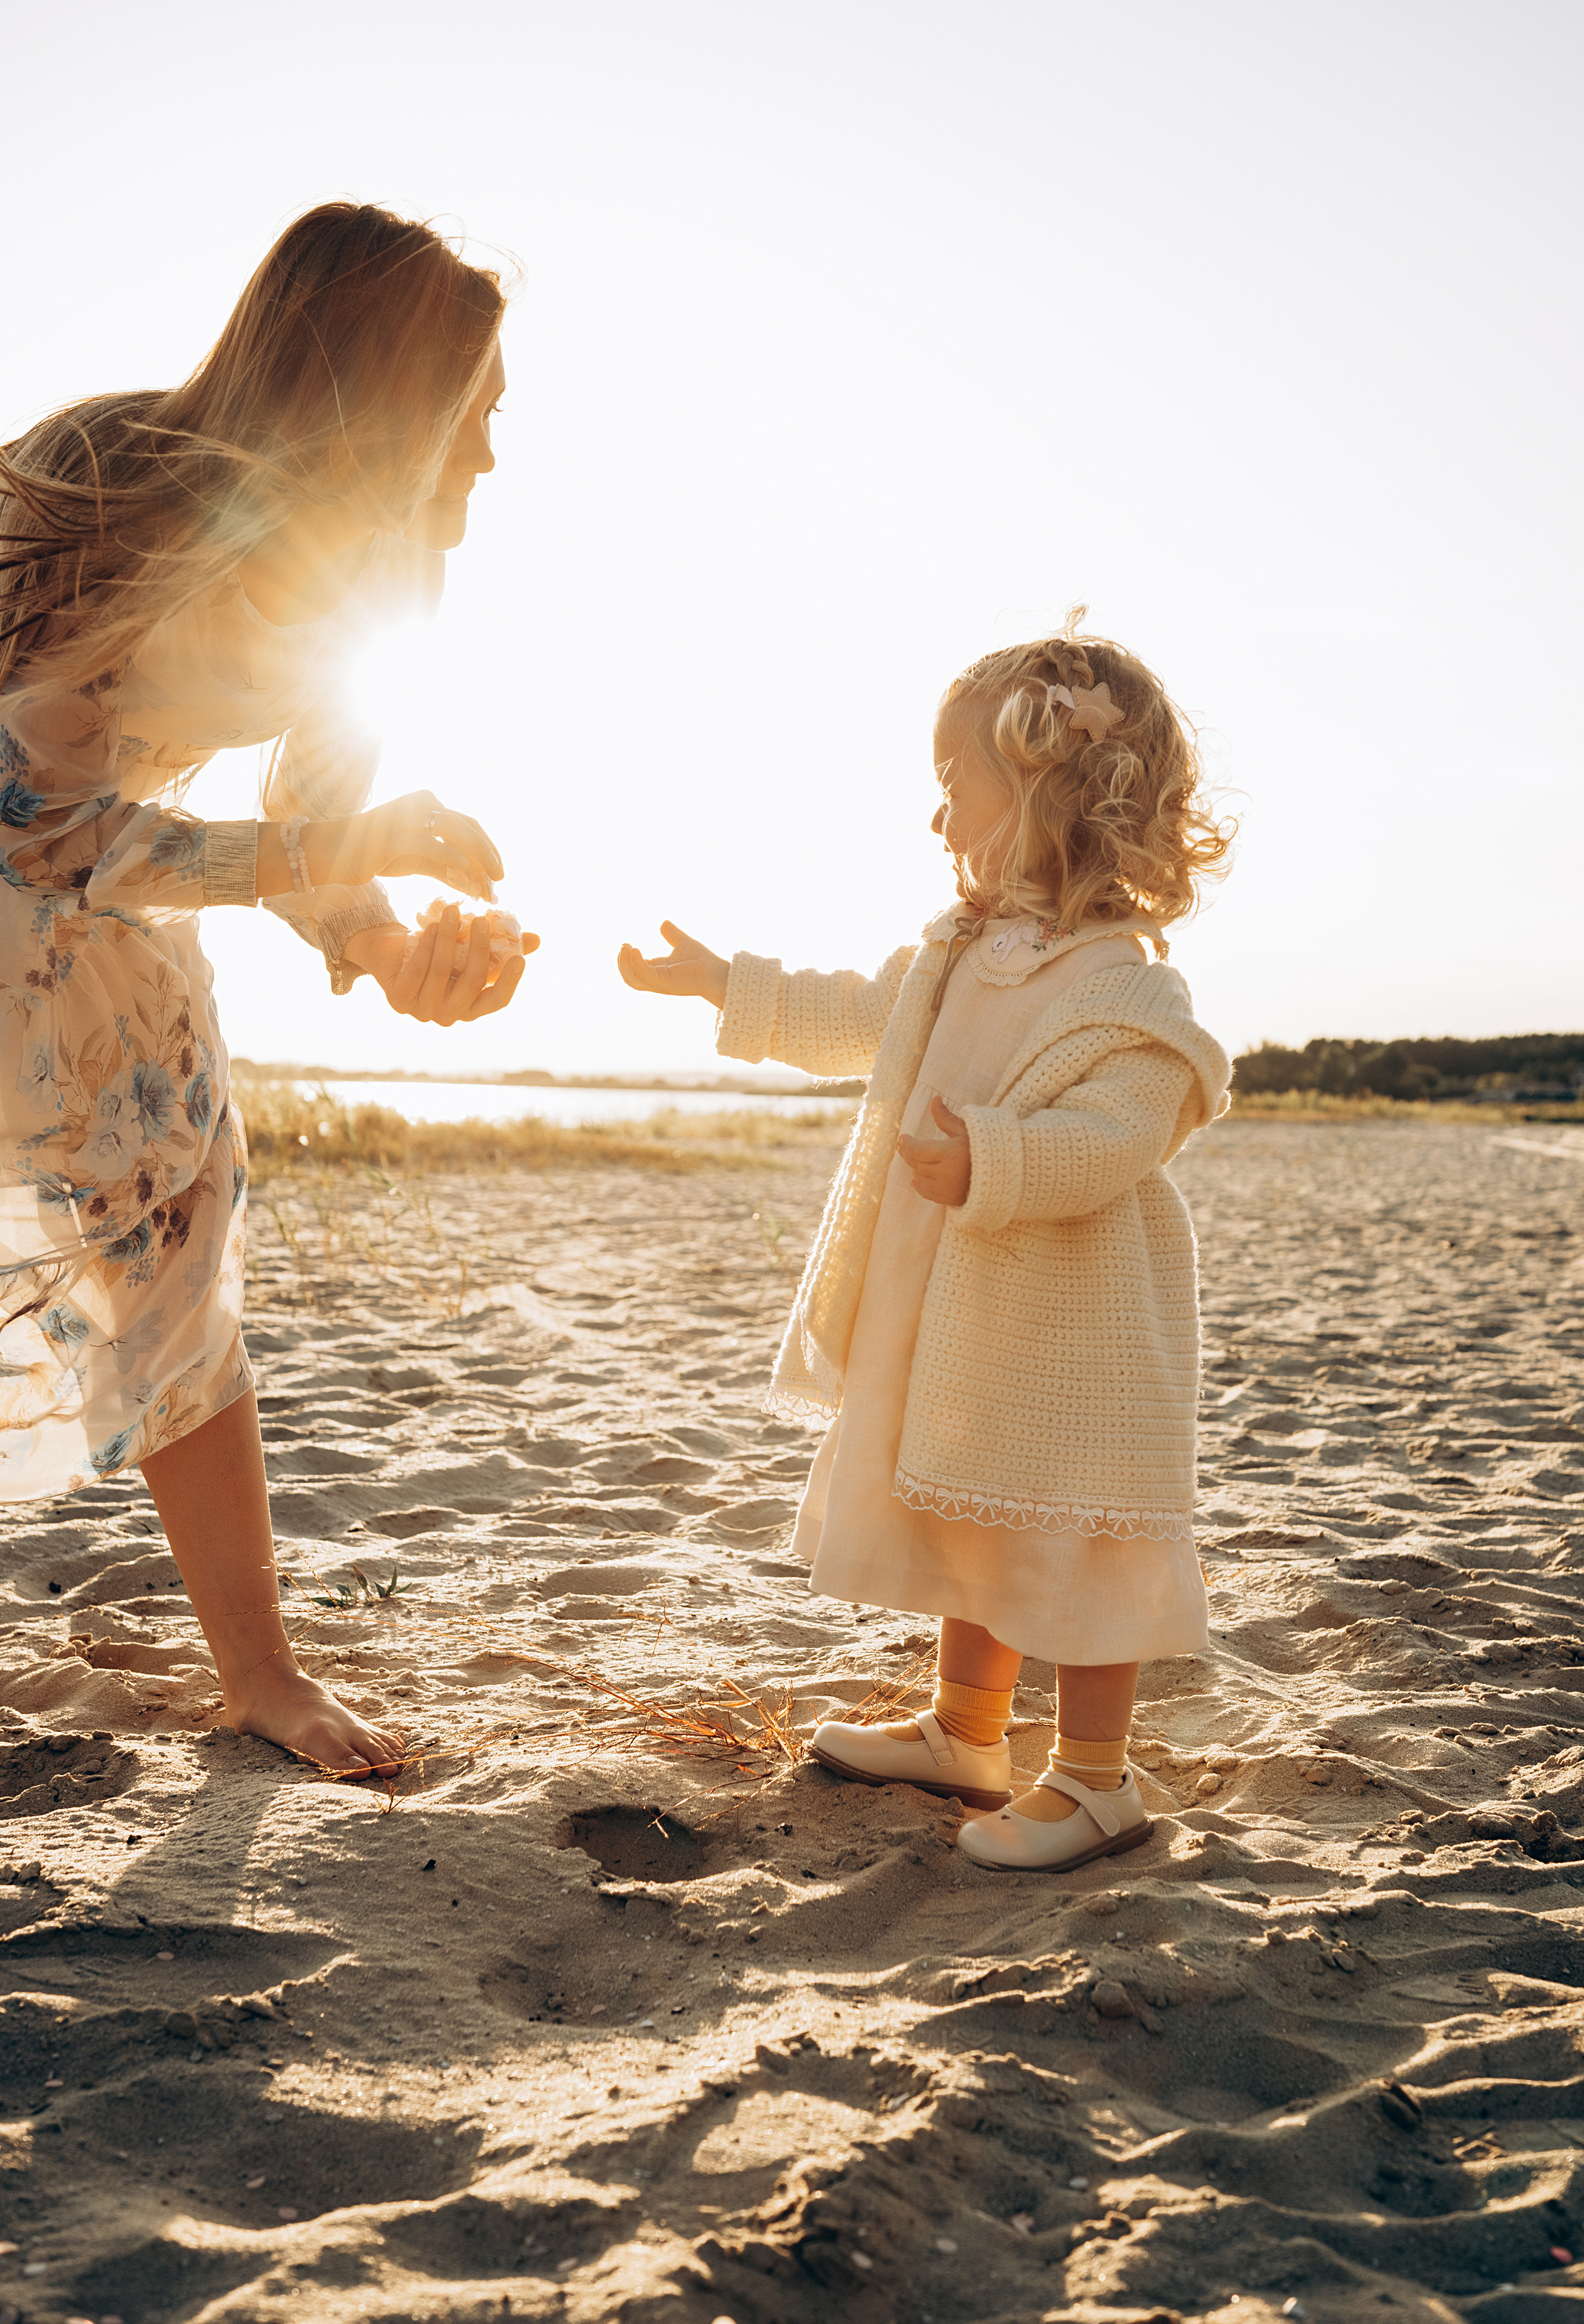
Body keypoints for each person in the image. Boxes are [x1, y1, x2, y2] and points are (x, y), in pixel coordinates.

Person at [0, 202, 536, 1774]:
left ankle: (258, 1673)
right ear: (382, 403)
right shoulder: (103, 481)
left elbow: (314, 843)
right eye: (475, 416)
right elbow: (37, 816)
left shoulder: (391, 588)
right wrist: (322, 848)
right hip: (30, 886)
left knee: (182, 1226)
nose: (491, 461)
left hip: (107, 945)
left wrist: (395, 950)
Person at [618, 616, 1233, 1874]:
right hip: (960, 1301)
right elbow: (857, 1015)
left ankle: (1100, 1779)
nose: (937, 819)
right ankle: (966, 1730)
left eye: (957, 790)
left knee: (1076, 1536)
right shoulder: (958, 950)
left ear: (1052, 798)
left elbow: (1122, 1134)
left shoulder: (1125, 987)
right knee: (972, 1511)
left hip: (1071, 1324)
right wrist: (723, 983)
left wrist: (993, 1157)